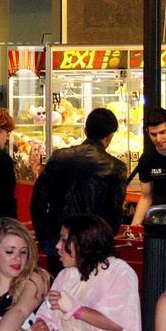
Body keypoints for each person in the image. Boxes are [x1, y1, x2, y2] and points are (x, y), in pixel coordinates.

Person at [30, 108, 127, 257]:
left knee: (61, 279)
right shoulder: (115, 167)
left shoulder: (59, 157)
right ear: (110, 136)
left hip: (57, 239)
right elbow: (115, 213)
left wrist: (45, 236)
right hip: (92, 243)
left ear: (85, 130)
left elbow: (38, 201)